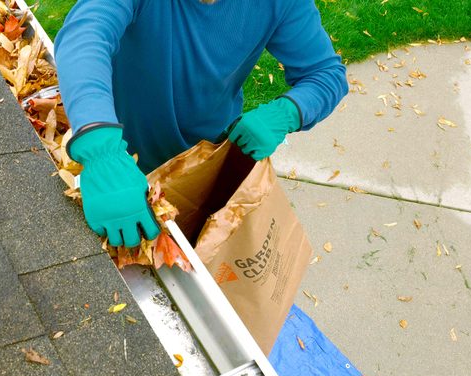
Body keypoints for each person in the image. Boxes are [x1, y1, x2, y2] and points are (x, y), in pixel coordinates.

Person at [55, 0, 348, 248]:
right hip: (112, 164)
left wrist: (287, 112)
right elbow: (85, 36)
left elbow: (325, 74)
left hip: (205, 169)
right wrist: (99, 148)